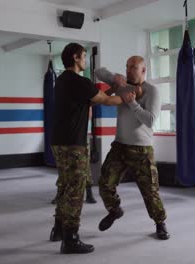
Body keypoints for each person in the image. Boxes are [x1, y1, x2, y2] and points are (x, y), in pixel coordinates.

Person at [49, 43, 123, 254]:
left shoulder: (63, 80)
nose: (86, 61)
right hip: (73, 143)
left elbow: (92, 100)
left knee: (65, 185)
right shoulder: (78, 81)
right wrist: (128, 96)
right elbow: (107, 101)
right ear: (75, 58)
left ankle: (58, 230)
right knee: (76, 189)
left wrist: (114, 88)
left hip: (59, 141)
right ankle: (71, 238)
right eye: (83, 57)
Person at [94, 56, 170, 240]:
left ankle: (160, 223)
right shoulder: (123, 83)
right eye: (127, 67)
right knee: (104, 183)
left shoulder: (152, 91)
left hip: (142, 149)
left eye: (133, 67)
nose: (129, 70)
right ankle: (114, 210)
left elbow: (150, 120)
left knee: (150, 191)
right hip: (120, 146)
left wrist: (132, 102)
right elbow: (98, 72)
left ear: (143, 70)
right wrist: (116, 78)